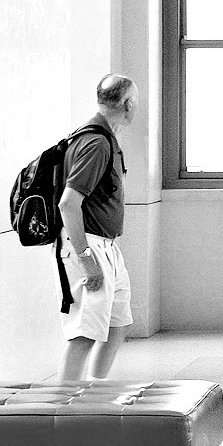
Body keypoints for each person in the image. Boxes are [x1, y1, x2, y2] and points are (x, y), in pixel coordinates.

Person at [56, 74, 137, 382]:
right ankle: (65, 412)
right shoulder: (95, 143)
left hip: (107, 245)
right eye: (135, 103)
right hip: (88, 244)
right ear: (127, 104)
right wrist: (87, 259)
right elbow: (68, 204)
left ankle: (95, 392)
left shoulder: (107, 138)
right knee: (84, 333)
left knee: (118, 324)